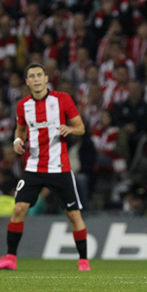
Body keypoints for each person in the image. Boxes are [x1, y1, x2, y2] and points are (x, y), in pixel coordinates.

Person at [0, 63, 90, 271]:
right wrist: (16, 141)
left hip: (60, 167)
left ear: (46, 79)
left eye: (40, 74)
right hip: (34, 167)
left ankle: (83, 260)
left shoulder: (62, 100)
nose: (37, 78)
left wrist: (70, 128)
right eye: (32, 76)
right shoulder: (23, 106)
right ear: (27, 81)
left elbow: (81, 128)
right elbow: (20, 131)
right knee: (19, 209)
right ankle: (10, 258)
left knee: (73, 215)